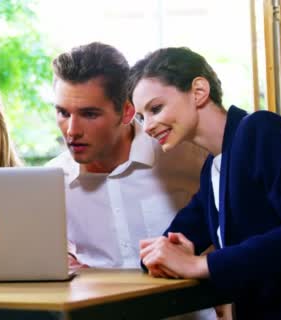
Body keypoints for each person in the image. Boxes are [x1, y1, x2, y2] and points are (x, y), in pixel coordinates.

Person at [46, 42, 214, 320]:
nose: (72, 131)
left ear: (126, 111)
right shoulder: (51, 183)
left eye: (89, 114)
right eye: (63, 113)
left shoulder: (190, 160)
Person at [131, 47, 281, 319]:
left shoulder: (259, 129)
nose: (147, 126)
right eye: (141, 117)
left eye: (155, 108)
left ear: (198, 91)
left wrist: (201, 264)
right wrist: (166, 254)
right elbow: (160, 250)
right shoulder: (213, 168)